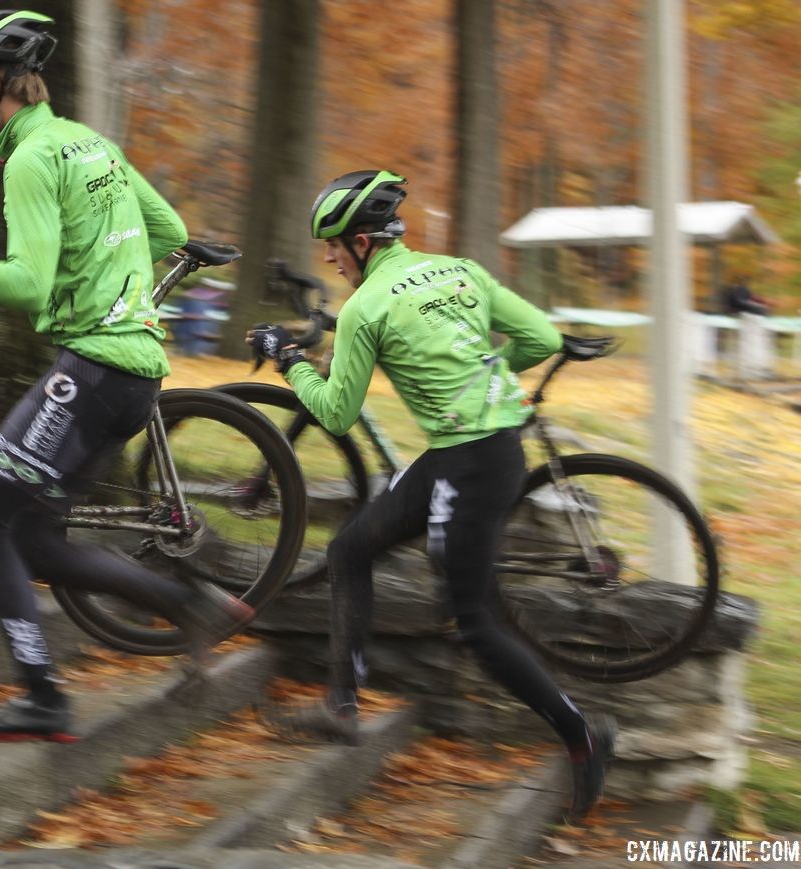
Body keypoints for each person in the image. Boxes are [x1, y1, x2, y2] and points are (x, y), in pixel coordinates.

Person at [0, 10, 250, 743]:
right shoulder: (90, 143)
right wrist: (111, 271)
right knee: (38, 539)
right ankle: (192, 605)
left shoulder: (29, 158)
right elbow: (169, 231)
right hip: (132, 378)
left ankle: (44, 697)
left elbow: (28, 285)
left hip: (94, 371)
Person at [247, 170, 615, 823]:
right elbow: (539, 339)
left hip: (470, 465)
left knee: (473, 622)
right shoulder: (460, 270)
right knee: (351, 547)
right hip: (474, 450)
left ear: (362, 240)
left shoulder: (366, 307)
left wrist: (287, 359)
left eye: (333, 244)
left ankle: (583, 735)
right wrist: (482, 379)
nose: (328, 258)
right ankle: (341, 704)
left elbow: (334, 412)